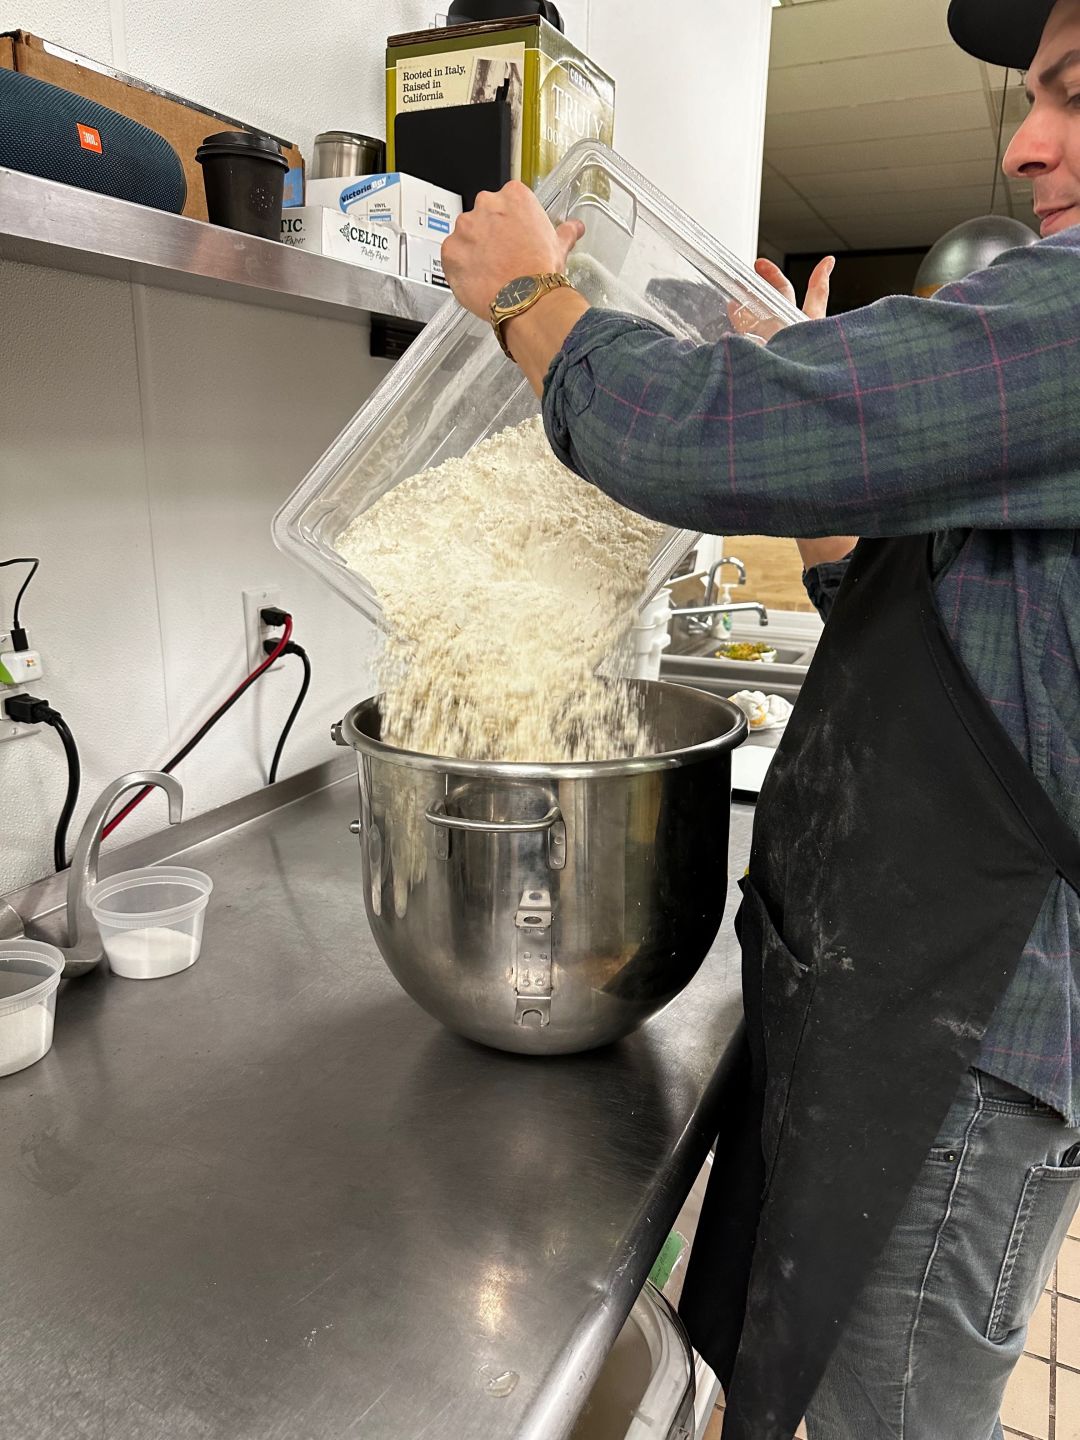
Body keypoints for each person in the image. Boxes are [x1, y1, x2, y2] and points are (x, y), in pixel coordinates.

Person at [442, 1, 1080, 1436]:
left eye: (1076, 95)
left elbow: (686, 437)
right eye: (1032, 101)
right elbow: (962, 631)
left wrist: (528, 299)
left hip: (963, 1042)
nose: (1030, 145)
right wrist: (845, 469)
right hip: (895, 1002)